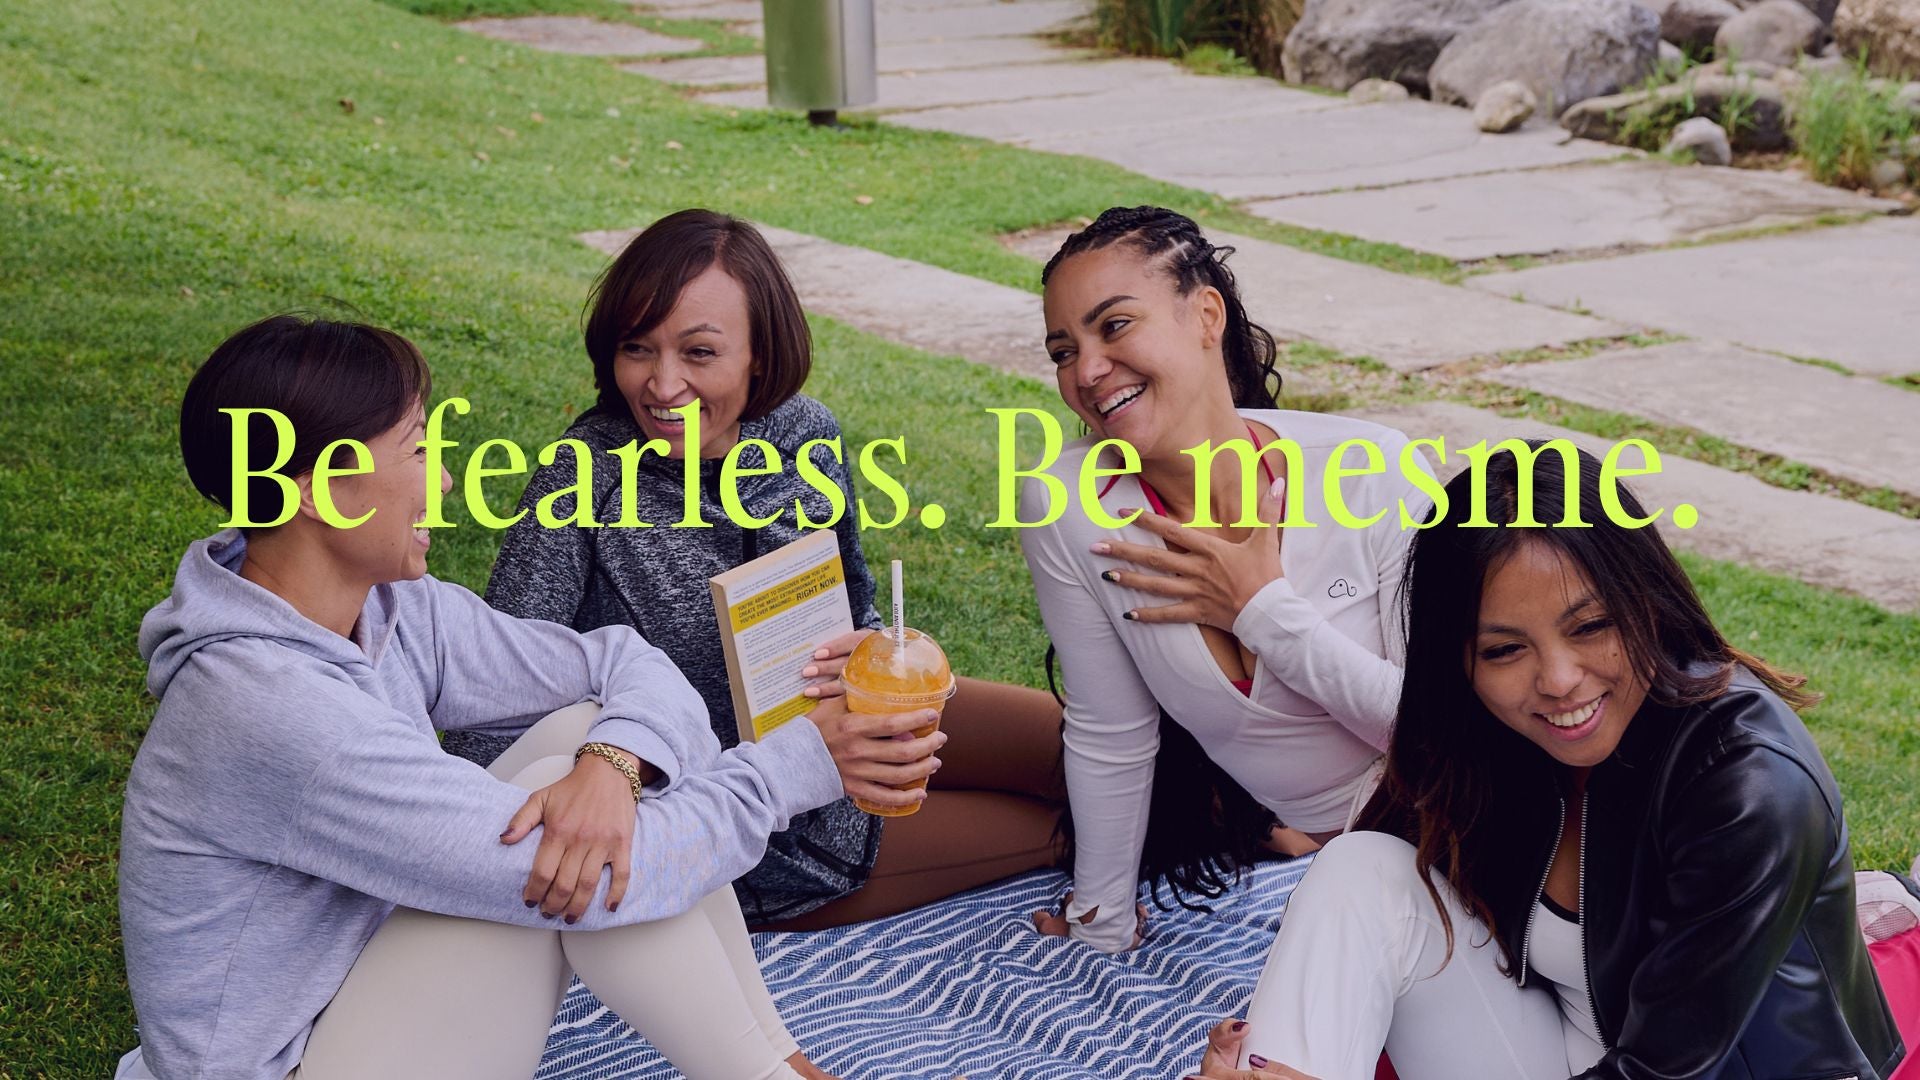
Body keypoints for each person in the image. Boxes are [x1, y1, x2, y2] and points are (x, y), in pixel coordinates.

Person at [116, 315, 940, 1080]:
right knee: (586, 864)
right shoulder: (273, 710)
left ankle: (780, 1066)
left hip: (360, 990)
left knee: (587, 743)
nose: (442, 478)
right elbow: (619, 878)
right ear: (321, 487)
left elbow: (625, 663)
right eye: (415, 450)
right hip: (287, 1062)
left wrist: (613, 764)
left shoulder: (390, 609)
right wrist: (799, 763)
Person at [442, 209, 1065, 929]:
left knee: (1105, 757)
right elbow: (486, 718)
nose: (662, 384)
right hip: (754, 830)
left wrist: (878, 658)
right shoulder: (584, 479)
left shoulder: (807, 434)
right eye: (637, 348)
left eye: (699, 353)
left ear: (759, 356)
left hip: (852, 723)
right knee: (1072, 830)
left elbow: (854, 610)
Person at [1207, 443, 1905, 1080]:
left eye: (1591, 626)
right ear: (1462, 664)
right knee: (1360, 870)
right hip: (1569, 1056)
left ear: (1647, 602)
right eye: (1504, 650)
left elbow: (1667, 1072)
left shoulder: (1749, 782)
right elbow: (1372, 922)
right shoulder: (1493, 738)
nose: (1559, 680)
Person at [1019, 205, 1432, 954]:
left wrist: (1262, 610)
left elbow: (1442, 739)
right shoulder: (1067, 504)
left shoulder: (1372, 468)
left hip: (1476, 838)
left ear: (1205, 314)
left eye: (1114, 326)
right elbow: (1113, 732)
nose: (1085, 371)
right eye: (1062, 349)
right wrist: (1100, 922)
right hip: (1351, 878)